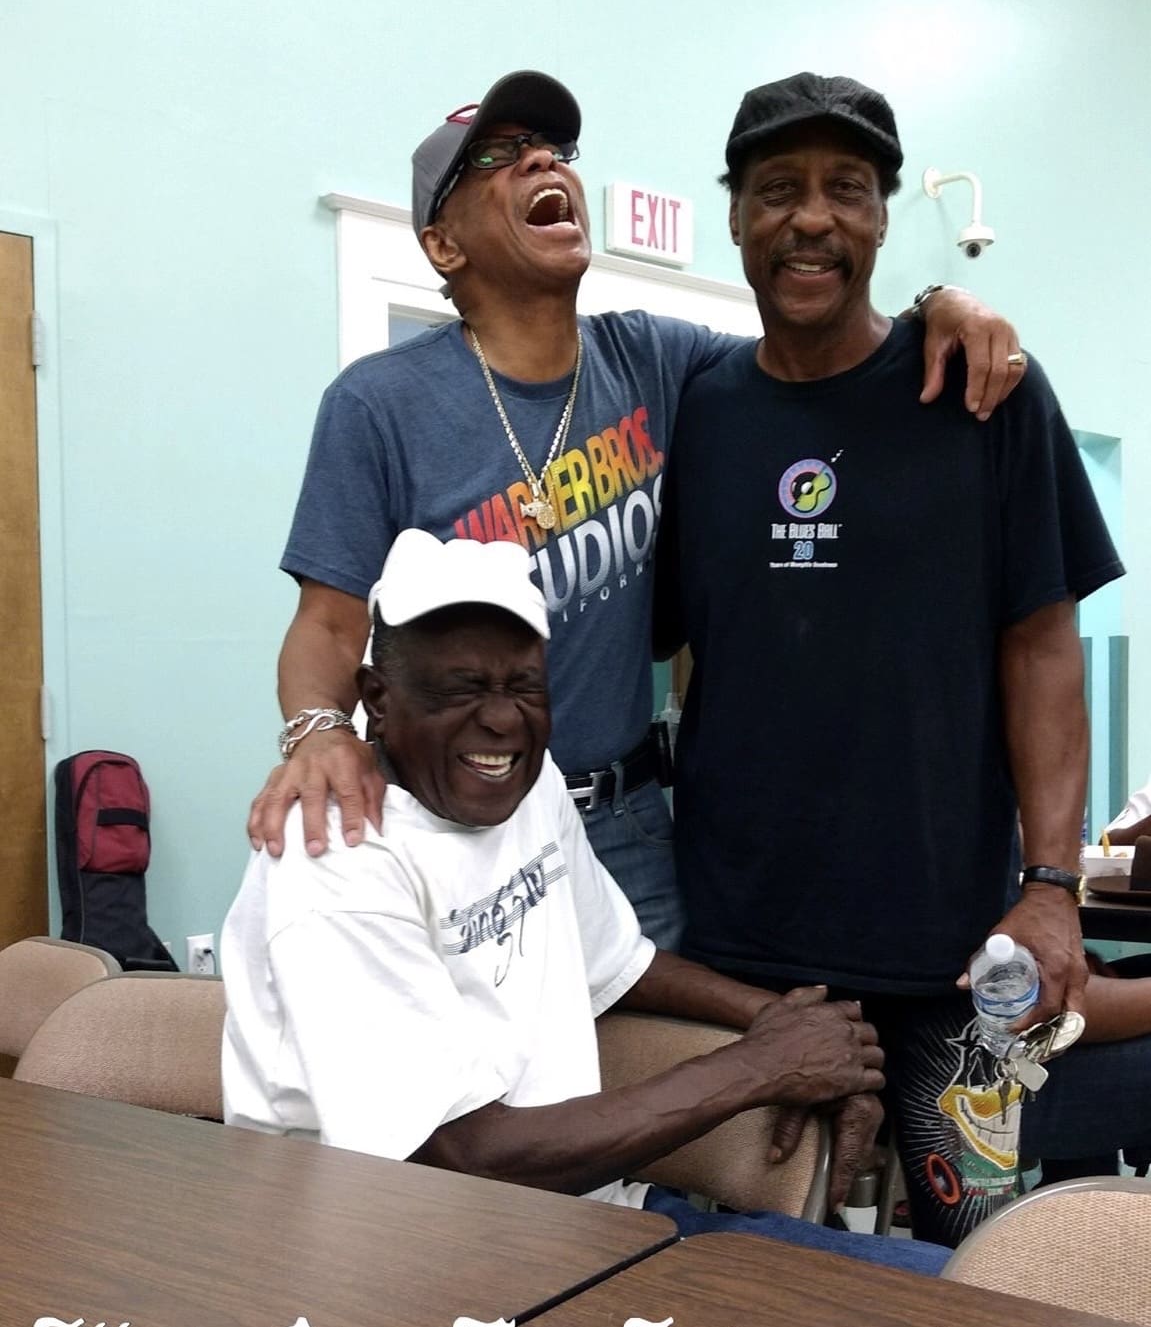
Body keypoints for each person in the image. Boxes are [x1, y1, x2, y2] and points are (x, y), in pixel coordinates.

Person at [250, 70, 1025, 949]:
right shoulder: (379, 403)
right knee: (482, 1082)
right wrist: (315, 731)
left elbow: (825, 347)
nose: (541, 159)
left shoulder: (655, 359)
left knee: (666, 1074)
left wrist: (937, 303)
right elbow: (324, 623)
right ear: (441, 244)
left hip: (628, 828)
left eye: (552, 149)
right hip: (459, 822)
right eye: (496, 159)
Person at [653, 70, 1134, 1245]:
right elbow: (685, 653)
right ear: (733, 217)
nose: (810, 217)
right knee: (734, 1258)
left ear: (879, 217)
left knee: (978, 1251)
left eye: (845, 189)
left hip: (956, 961)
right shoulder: (700, 410)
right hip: (736, 962)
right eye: (777, 189)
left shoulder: (981, 396)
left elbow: (1041, 653)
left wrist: (1050, 885)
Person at [223, 529, 950, 1276]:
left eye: (523, 685)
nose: (502, 721)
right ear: (378, 696)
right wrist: (764, 1064)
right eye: (461, 689)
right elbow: (465, 1158)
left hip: (580, 1228)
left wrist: (779, 1020)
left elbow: (619, 964)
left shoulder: (527, 786)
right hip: (399, 1269)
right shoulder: (337, 858)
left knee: (967, 1293)